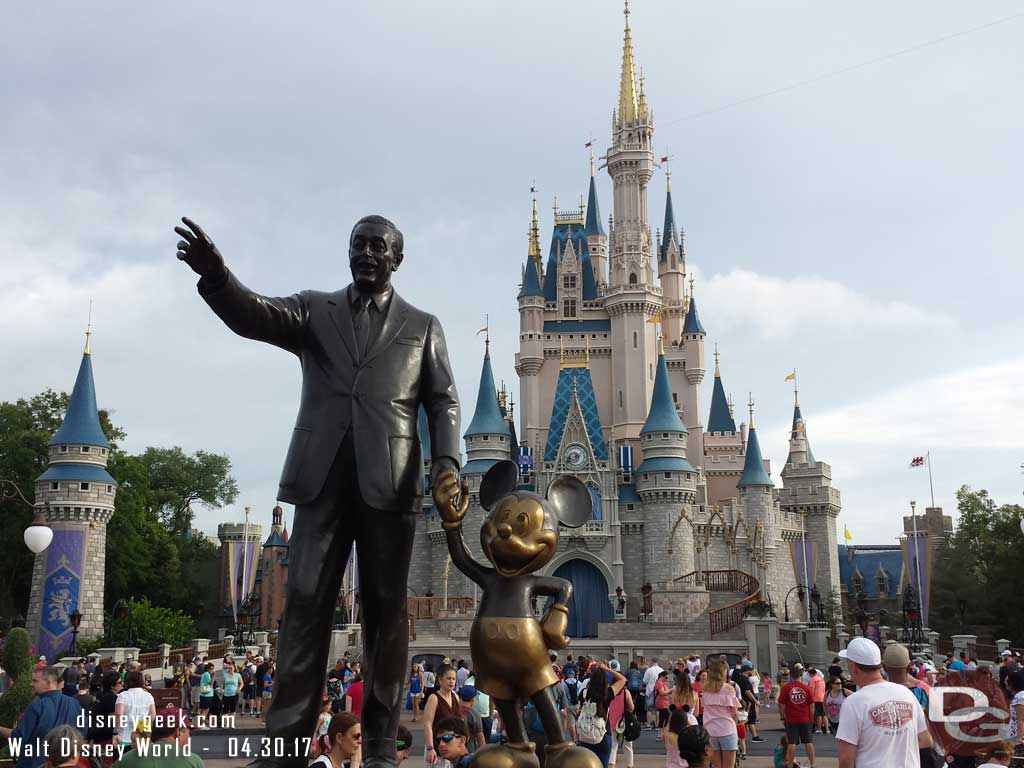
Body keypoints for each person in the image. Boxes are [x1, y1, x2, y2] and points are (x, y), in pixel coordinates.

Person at [176, 212, 461, 768]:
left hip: (392, 485)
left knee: (386, 617)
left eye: (378, 246)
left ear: (397, 258)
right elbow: (254, 315)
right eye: (358, 244)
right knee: (303, 608)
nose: (366, 253)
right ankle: (281, 750)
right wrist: (217, 276)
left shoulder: (423, 325)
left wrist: (447, 461)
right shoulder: (314, 310)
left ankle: (379, 750)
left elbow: (443, 400)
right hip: (321, 484)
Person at [836, 637, 932, 768]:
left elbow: (846, 759)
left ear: (853, 666)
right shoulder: (907, 694)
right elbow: (925, 740)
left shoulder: (854, 702)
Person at [0, 667, 84, 768]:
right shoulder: (74, 703)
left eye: (35, 681)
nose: (31, 684)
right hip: (65, 762)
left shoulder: (36, 706)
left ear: (48, 683)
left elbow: (18, 736)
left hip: (34, 763)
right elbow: (82, 732)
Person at [113, 707, 203, 768]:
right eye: (188, 733)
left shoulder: (125, 760)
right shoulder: (194, 762)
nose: (189, 738)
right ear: (178, 732)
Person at [578, 661, 627, 768]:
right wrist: (607, 669)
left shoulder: (584, 693)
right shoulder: (607, 693)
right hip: (603, 733)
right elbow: (623, 679)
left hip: (586, 734)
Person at [700, 659, 739, 768]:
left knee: (717, 765)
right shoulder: (729, 689)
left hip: (710, 730)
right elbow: (734, 713)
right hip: (727, 729)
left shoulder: (705, 689)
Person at [778, 659, 815, 768]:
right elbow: (811, 706)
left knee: (792, 743)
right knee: (808, 742)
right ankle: (813, 764)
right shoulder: (806, 688)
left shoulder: (786, 688)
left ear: (791, 676)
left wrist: (782, 716)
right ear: (800, 676)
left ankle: (790, 764)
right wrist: (812, 719)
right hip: (805, 718)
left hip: (791, 719)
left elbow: (781, 704)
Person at [423, 665, 459, 765]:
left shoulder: (455, 696)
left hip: (453, 748)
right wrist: (430, 748)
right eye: (448, 678)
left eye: (453, 679)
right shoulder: (434, 698)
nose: (451, 681)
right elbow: (427, 724)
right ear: (440, 680)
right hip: (437, 746)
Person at [114, 670, 156, 749]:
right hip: (141, 736)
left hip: (124, 736)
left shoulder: (123, 696)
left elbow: (119, 714)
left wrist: (115, 732)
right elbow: (152, 715)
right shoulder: (148, 696)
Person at [456, 686, 485, 751]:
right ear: (473, 699)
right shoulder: (474, 714)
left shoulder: (452, 709)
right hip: (470, 750)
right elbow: (480, 736)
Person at [643, 658, 664, 730]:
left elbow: (645, 681)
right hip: (659, 690)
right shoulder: (661, 670)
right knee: (657, 709)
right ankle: (658, 724)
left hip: (650, 690)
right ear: (657, 662)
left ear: (651, 662)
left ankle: (648, 725)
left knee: (649, 708)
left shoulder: (649, 670)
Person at [1007, 670, 1024, 748]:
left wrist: (1019, 738)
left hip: (1016, 736)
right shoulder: (1020, 695)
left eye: (1007, 680)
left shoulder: (1019, 697)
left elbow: (1021, 719)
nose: (1005, 682)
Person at [807, 666, 826, 735]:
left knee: (818, 714)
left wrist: (809, 698)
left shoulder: (813, 680)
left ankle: (819, 729)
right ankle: (827, 729)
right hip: (822, 697)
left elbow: (812, 689)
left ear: (811, 674)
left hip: (816, 698)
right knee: (823, 714)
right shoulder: (821, 679)